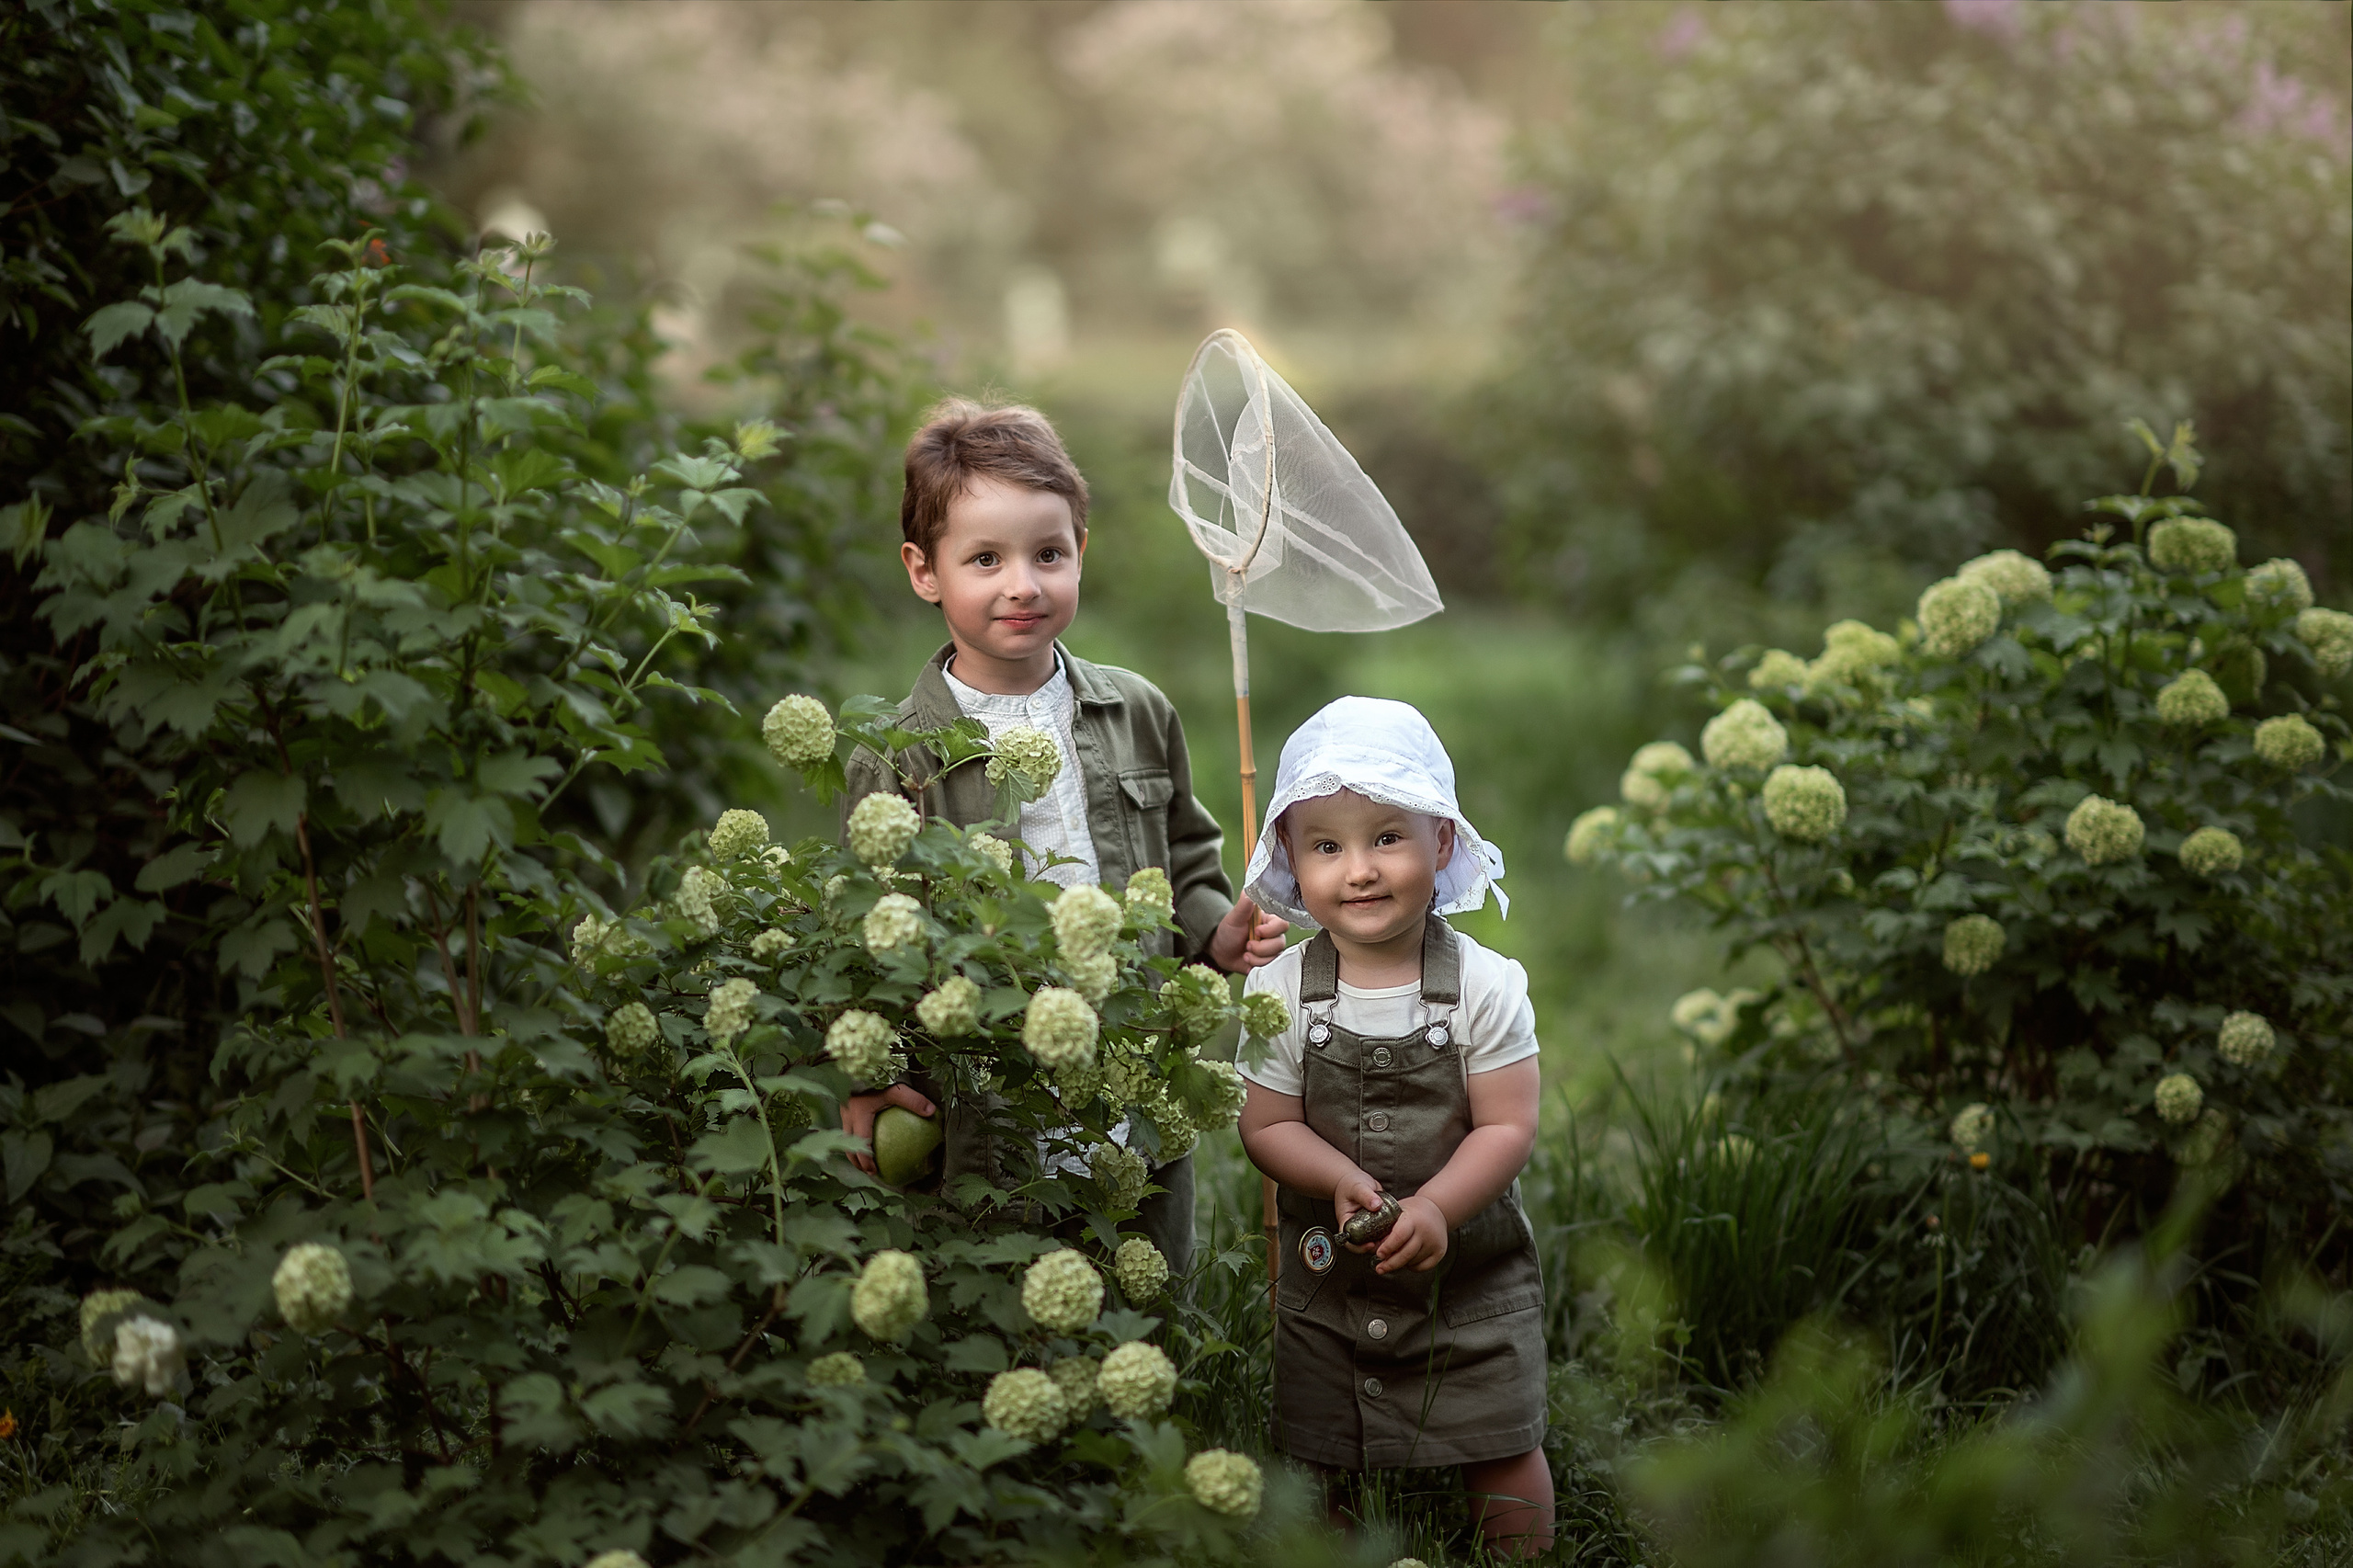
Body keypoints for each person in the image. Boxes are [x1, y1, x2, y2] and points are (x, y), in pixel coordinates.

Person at [838, 398, 1287, 1276]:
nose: (1024, 584)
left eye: (1048, 554)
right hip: (979, 1091)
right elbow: (865, 933)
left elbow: (1186, 859)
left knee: (1141, 1278)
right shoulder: (898, 755)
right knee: (993, 1280)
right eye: (986, 559)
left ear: (1081, 549)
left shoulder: (1138, 711)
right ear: (924, 571)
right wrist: (866, 1074)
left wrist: (1217, 933)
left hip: (1128, 1061)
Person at [1235, 696, 1552, 1559]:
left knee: (1499, 1438)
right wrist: (1336, 1177)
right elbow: (1266, 1124)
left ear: (1441, 841)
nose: (1360, 871)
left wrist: (1439, 1207)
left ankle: (1522, 1553)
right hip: (1331, 1278)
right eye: (1326, 847)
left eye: (1386, 838)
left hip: (1468, 1274)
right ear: (1290, 858)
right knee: (1320, 1452)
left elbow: (1508, 1125)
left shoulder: (1485, 987)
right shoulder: (1281, 992)